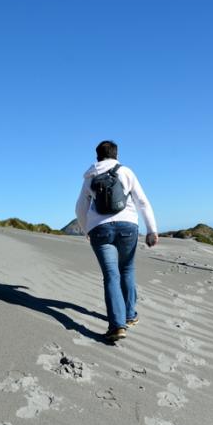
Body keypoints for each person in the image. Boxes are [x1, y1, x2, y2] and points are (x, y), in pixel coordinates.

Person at [75, 141, 158, 342]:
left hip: (100, 229)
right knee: (127, 269)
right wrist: (152, 230)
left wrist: (88, 229)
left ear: (97, 156)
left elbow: (80, 208)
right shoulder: (126, 172)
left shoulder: (90, 176)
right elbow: (143, 202)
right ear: (116, 154)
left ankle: (117, 326)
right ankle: (130, 315)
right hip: (128, 226)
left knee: (111, 275)